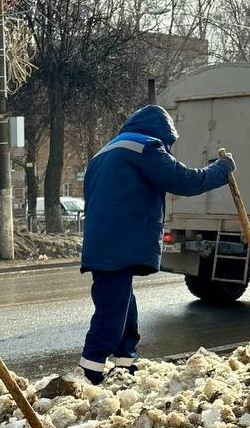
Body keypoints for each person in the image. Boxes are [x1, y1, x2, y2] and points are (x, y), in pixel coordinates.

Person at [79, 103, 235, 384]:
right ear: (163, 133)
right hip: (120, 241)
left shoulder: (105, 152)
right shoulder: (145, 147)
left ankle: (125, 365)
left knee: (123, 304)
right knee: (112, 311)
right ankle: (90, 373)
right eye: (169, 143)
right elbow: (184, 181)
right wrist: (221, 170)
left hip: (104, 240)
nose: (168, 149)